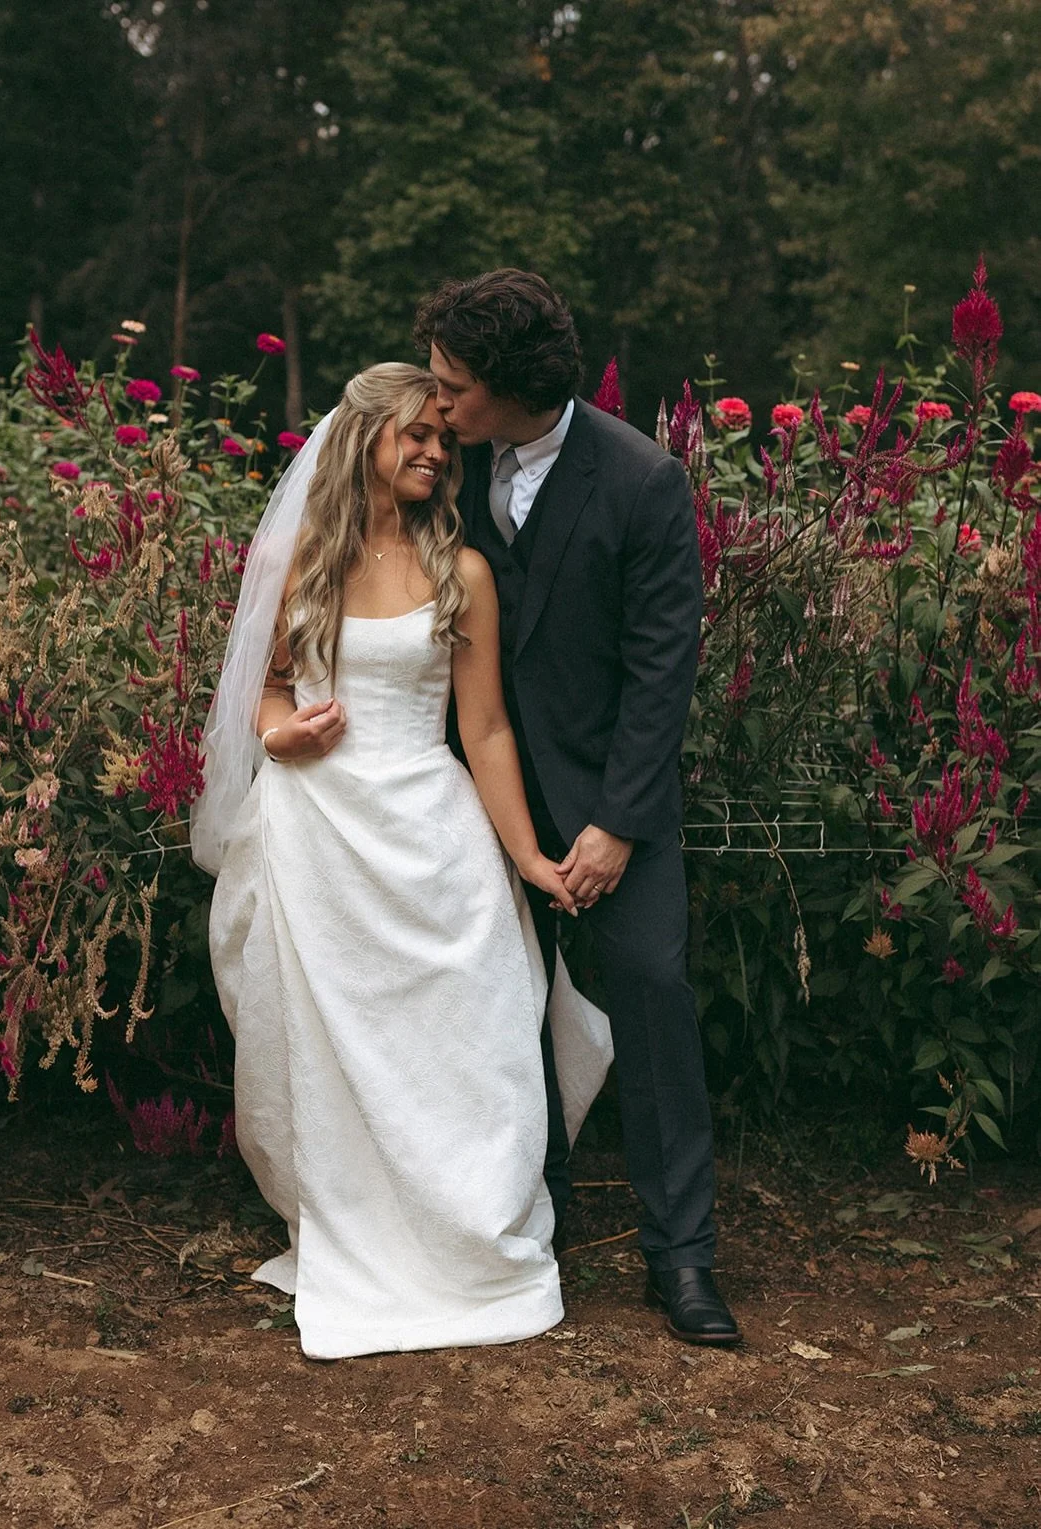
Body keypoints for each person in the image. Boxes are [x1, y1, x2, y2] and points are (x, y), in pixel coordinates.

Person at [190, 363, 611, 1361]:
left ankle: (466, 1233)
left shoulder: (460, 569)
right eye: (413, 435)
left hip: (430, 824)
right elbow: (267, 692)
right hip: (321, 833)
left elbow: (489, 728)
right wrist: (281, 732)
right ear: (364, 437)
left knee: (471, 1032)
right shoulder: (301, 562)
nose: (432, 451)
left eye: (442, 438)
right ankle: (354, 1225)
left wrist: (529, 858)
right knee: (328, 1048)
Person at [415, 270, 741, 1347]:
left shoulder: (643, 481)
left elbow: (663, 671)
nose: (436, 399)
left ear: (511, 391)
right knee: (495, 1003)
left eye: (455, 385)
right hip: (467, 789)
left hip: (613, 801)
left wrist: (615, 822)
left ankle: (680, 1254)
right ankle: (520, 1220)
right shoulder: (437, 460)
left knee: (648, 987)